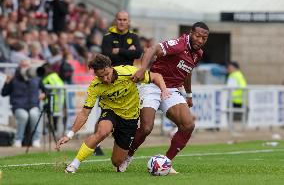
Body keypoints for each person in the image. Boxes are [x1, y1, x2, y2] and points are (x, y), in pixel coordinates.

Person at [118, 22, 210, 174]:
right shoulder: (179, 44)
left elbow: (187, 72)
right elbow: (151, 49)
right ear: (190, 33)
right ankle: (128, 156)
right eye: (198, 36)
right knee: (146, 128)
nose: (200, 40)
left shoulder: (198, 53)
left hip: (171, 90)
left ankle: (166, 162)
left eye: (204, 38)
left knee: (188, 125)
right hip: (152, 85)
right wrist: (142, 69)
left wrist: (189, 95)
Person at [55, 53, 170, 173]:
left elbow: (156, 76)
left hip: (130, 117)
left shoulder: (128, 72)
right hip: (111, 111)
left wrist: (164, 89)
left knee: (117, 162)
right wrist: (69, 135)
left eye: (106, 74)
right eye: (101, 77)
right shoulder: (95, 86)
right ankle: (74, 165)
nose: (105, 79)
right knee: (102, 131)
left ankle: (121, 149)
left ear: (111, 67)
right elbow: (84, 113)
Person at [94, 10, 143, 155]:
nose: (122, 22)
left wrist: (118, 51)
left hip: (128, 80)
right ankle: (96, 144)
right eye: (119, 19)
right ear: (115, 20)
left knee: (126, 110)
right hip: (109, 80)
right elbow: (106, 54)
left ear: (129, 21)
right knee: (105, 111)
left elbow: (138, 53)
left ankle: (120, 140)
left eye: (124, 19)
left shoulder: (134, 36)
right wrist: (127, 51)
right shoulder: (108, 37)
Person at [1, 60, 46, 148]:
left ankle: (36, 140)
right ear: (19, 67)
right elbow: (4, 93)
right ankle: (18, 140)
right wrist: (7, 82)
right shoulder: (14, 78)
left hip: (33, 104)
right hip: (18, 105)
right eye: (23, 66)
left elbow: (45, 90)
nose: (26, 68)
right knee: (23, 116)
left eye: (27, 65)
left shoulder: (36, 77)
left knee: (34, 114)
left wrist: (44, 94)